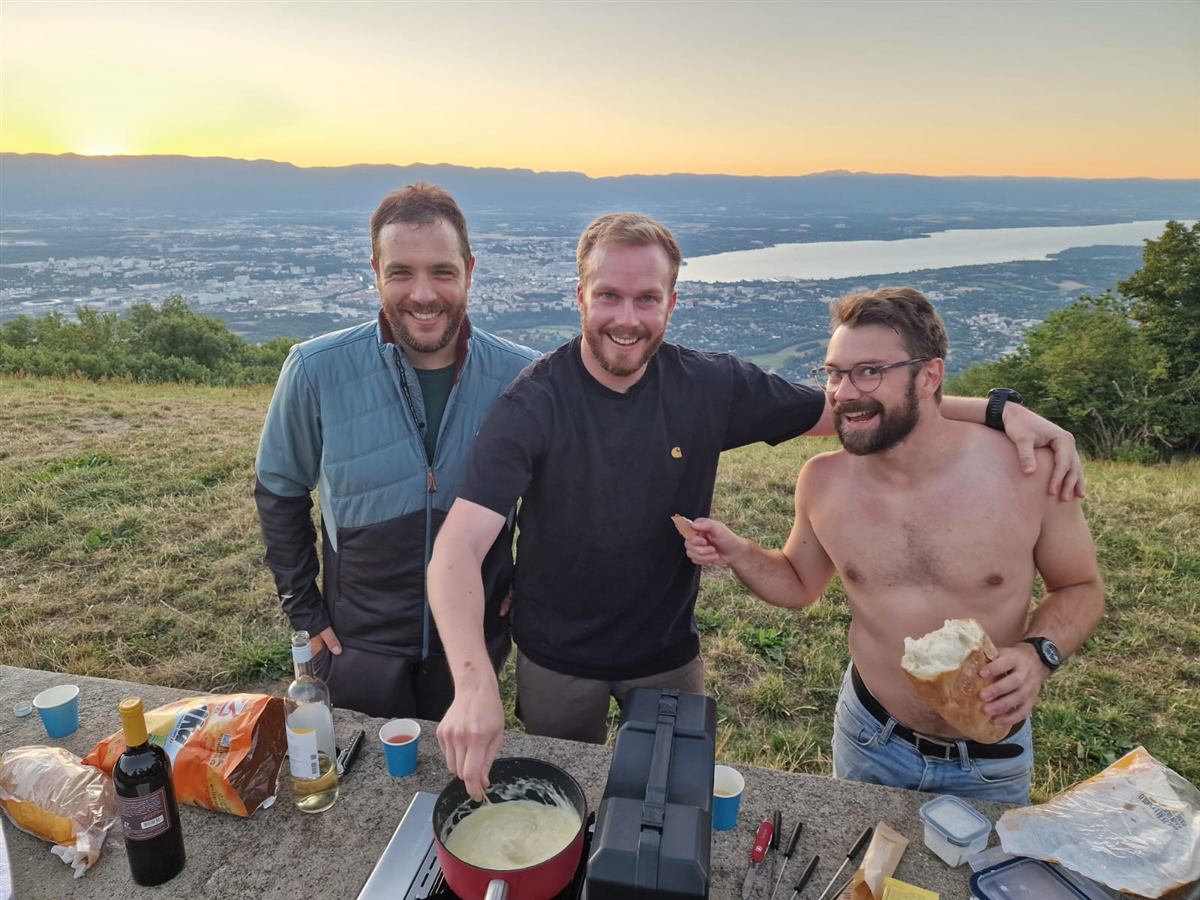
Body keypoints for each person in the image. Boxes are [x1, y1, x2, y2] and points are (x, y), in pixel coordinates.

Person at [428, 214, 1086, 800]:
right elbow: (458, 547)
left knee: (669, 800)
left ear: (671, 303)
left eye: (646, 298)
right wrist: (475, 679)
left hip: (665, 650)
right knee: (566, 799)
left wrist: (999, 410)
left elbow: (855, 410)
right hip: (556, 654)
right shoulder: (532, 403)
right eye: (608, 296)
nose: (626, 318)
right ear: (581, 297)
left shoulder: (709, 386)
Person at [684, 288, 1105, 804]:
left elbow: (1080, 587)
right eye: (835, 373)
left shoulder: (1027, 472)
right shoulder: (823, 482)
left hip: (990, 753)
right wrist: (738, 550)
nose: (843, 392)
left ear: (929, 376)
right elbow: (797, 584)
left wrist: (1039, 654)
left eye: (869, 371)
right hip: (869, 738)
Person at [254, 183, 537, 719]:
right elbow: (279, 490)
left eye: (443, 271)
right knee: (368, 786)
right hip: (358, 643)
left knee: (462, 788)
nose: (424, 294)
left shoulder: (521, 375)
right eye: (402, 271)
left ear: (470, 271)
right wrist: (304, 612)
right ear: (376, 271)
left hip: (473, 643)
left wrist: (529, 582)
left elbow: (550, 496)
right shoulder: (317, 369)